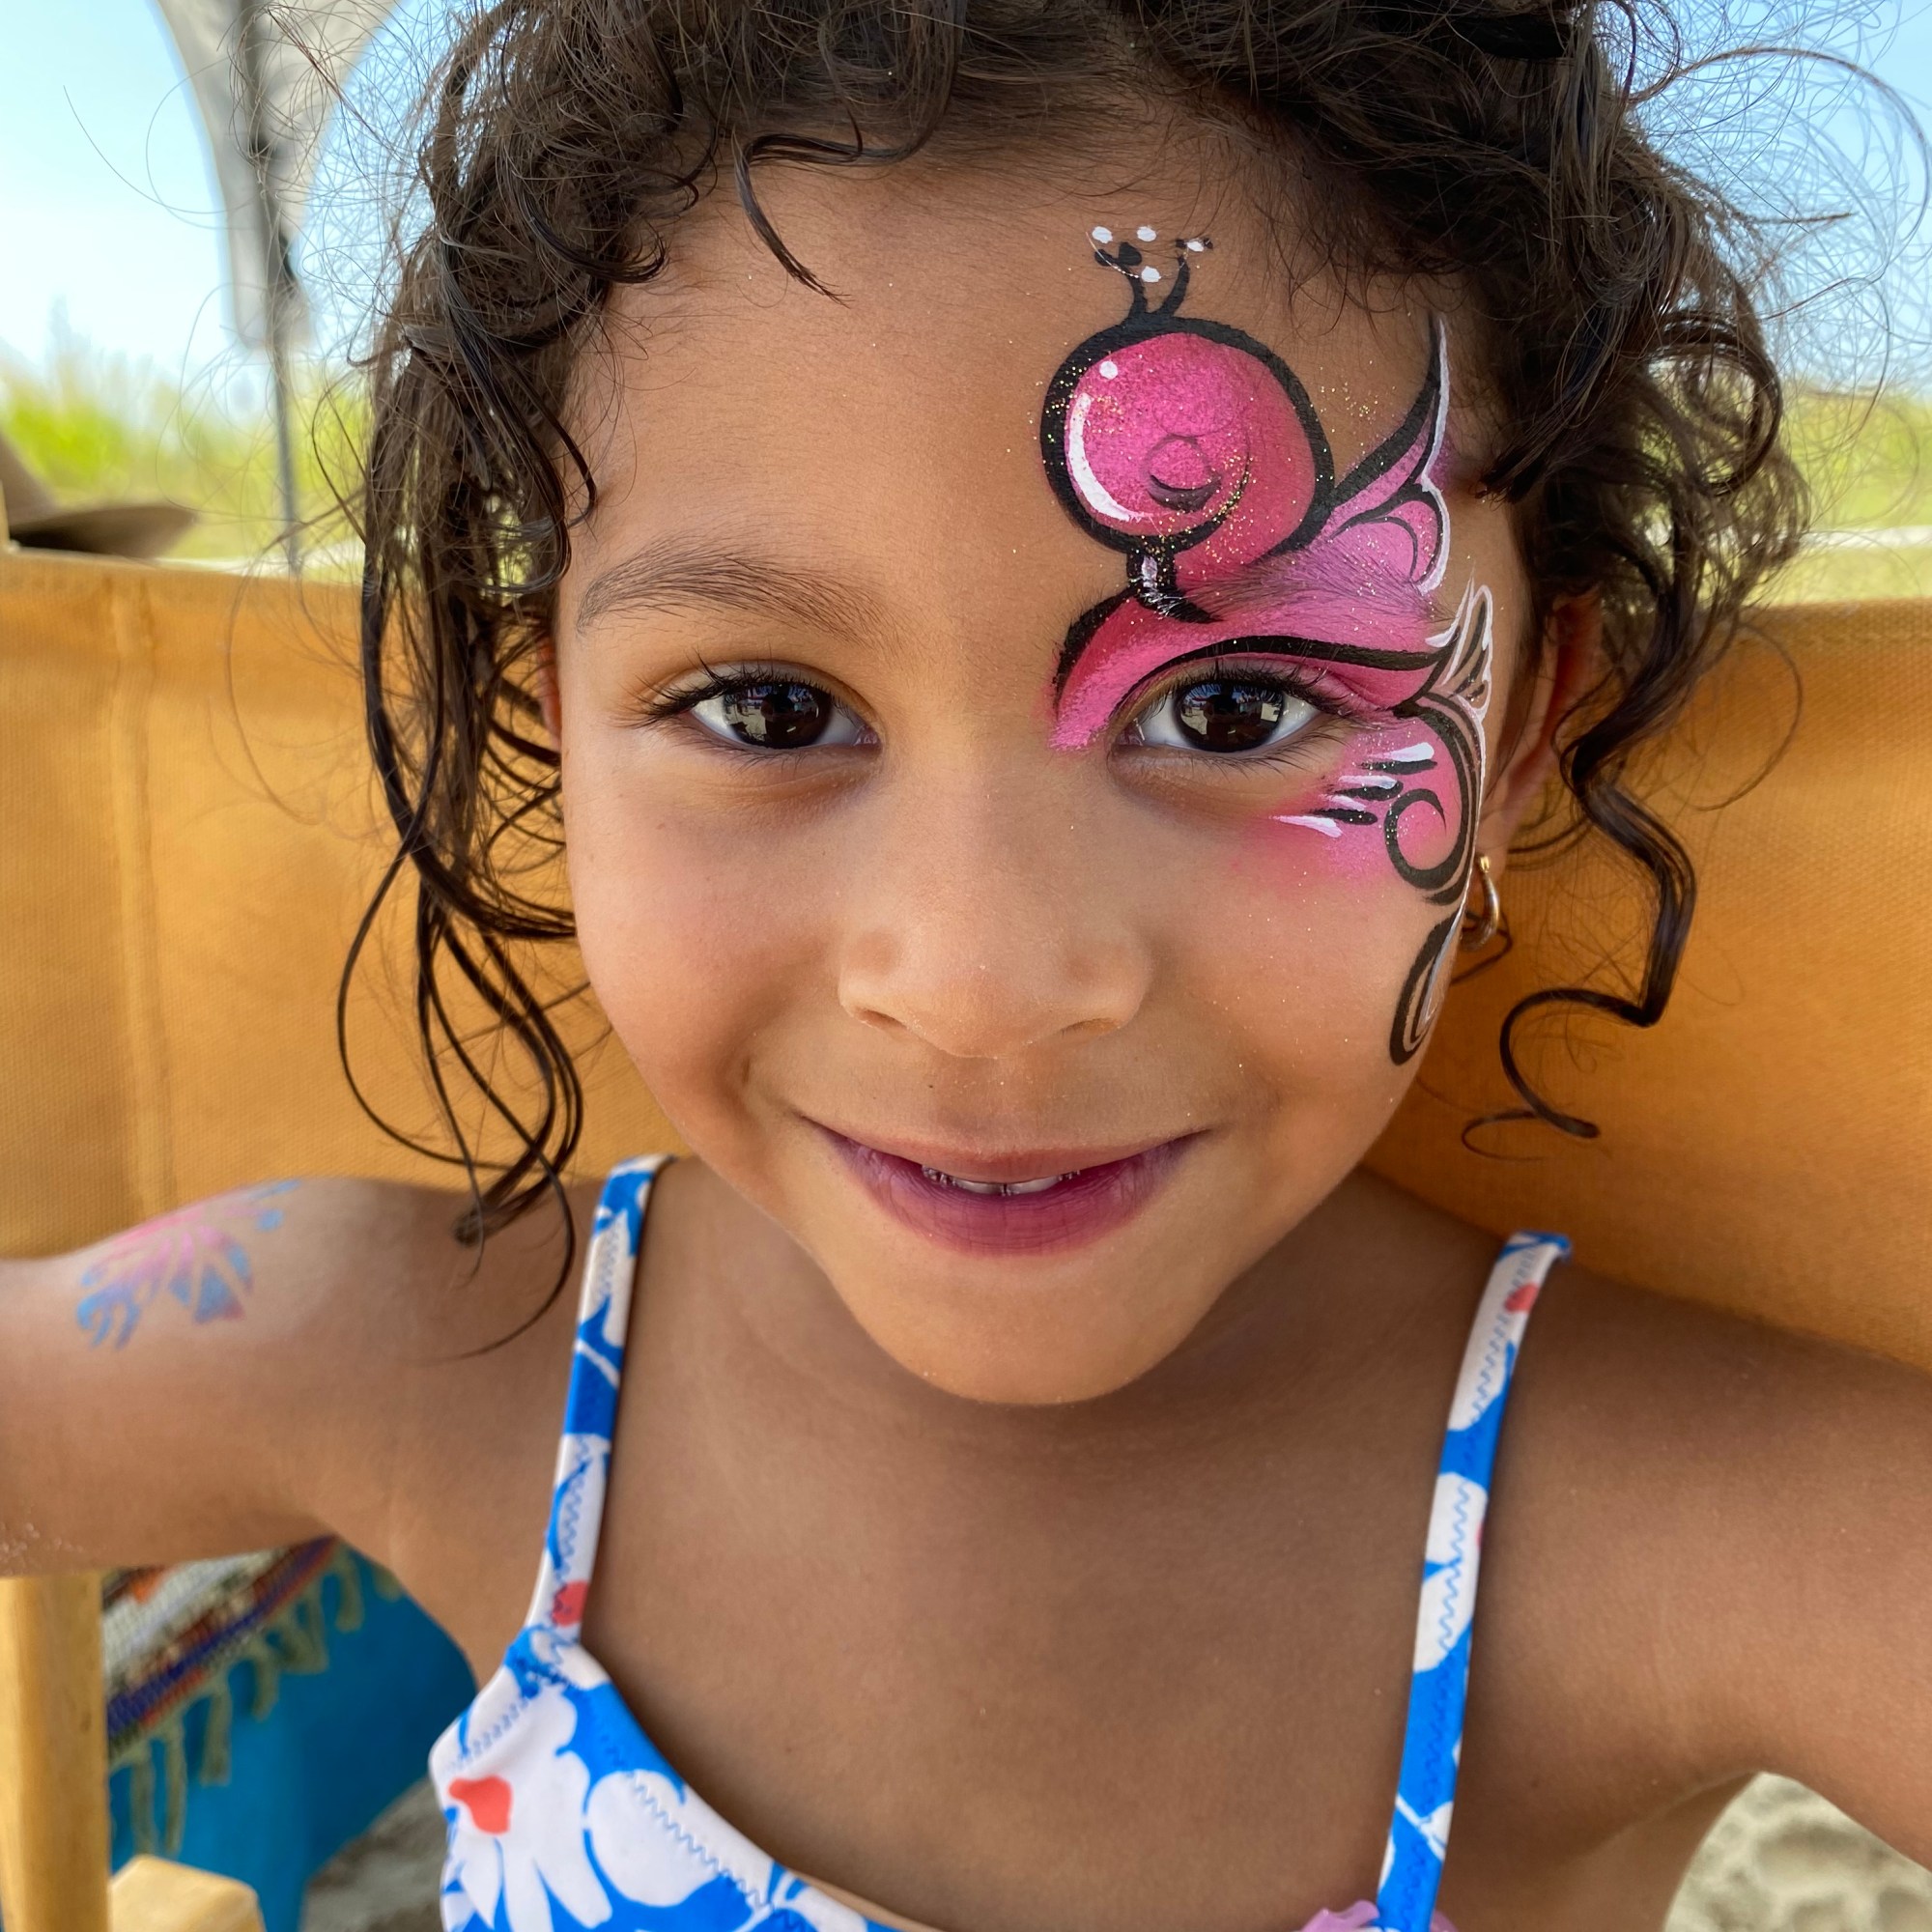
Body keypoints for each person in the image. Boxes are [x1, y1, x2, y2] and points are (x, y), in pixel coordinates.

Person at [3, 2, 1928, 1928]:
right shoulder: (420, 1359)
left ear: (1516, 736)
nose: (983, 978)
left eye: (1241, 702)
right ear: (554, 733)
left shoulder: (1663, 1526)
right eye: (766, 706)